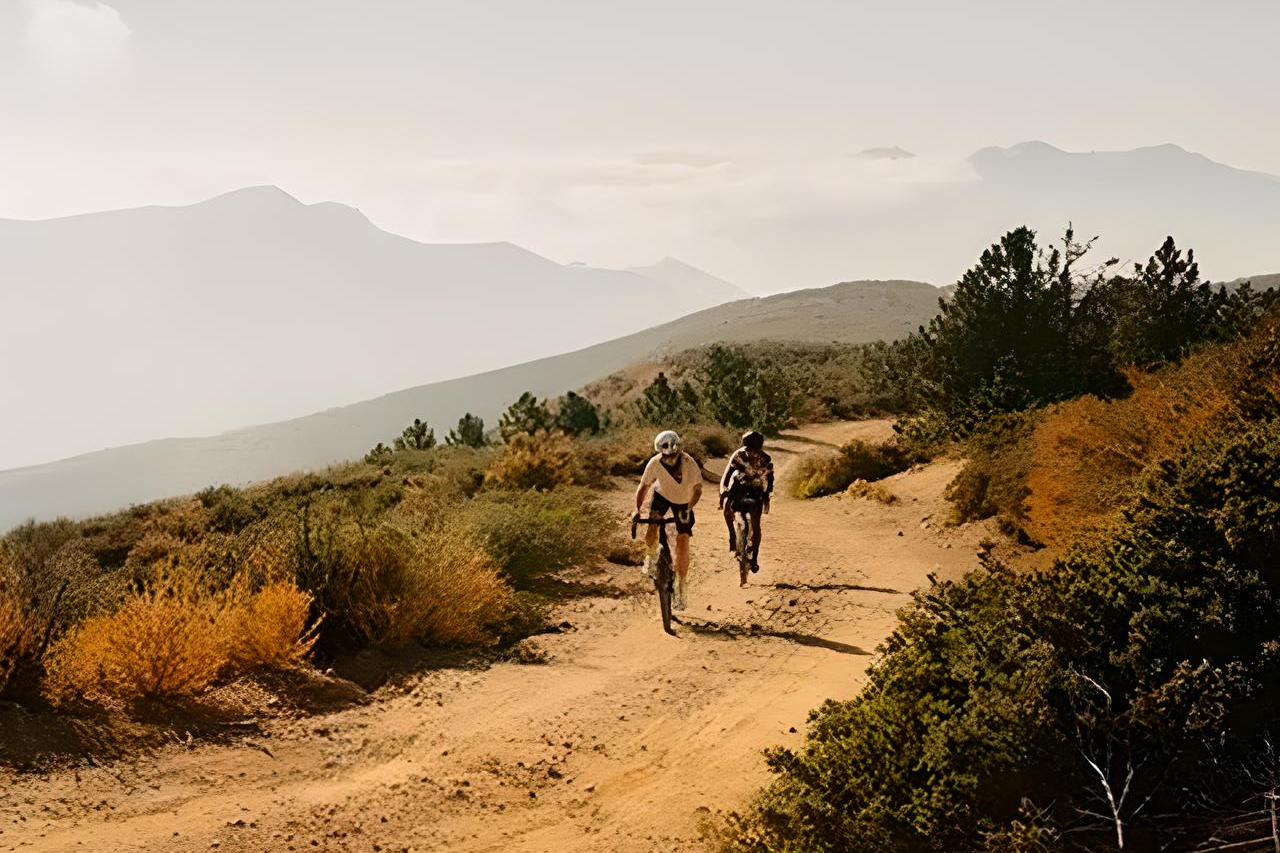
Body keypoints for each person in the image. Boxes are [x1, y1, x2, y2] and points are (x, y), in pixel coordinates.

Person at [635, 429, 702, 611]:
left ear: (679, 450)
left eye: (674, 455)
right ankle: (650, 556)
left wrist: (690, 506)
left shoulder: (689, 462)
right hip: (662, 496)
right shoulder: (654, 463)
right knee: (652, 527)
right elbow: (643, 488)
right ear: (659, 453)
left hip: (684, 501)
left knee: (682, 540)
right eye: (666, 456)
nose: (671, 459)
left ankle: (681, 587)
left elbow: (697, 488)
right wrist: (638, 511)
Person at [719, 430, 773, 572]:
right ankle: (732, 536)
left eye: (755, 449)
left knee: (755, 524)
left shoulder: (765, 459)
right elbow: (728, 475)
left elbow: (769, 480)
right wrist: (723, 492)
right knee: (727, 509)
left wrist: (766, 497)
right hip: (740, 490)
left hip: (754, 493)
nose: (752, 452)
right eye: (750, 449)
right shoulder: (740, 455)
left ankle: (754, 557)